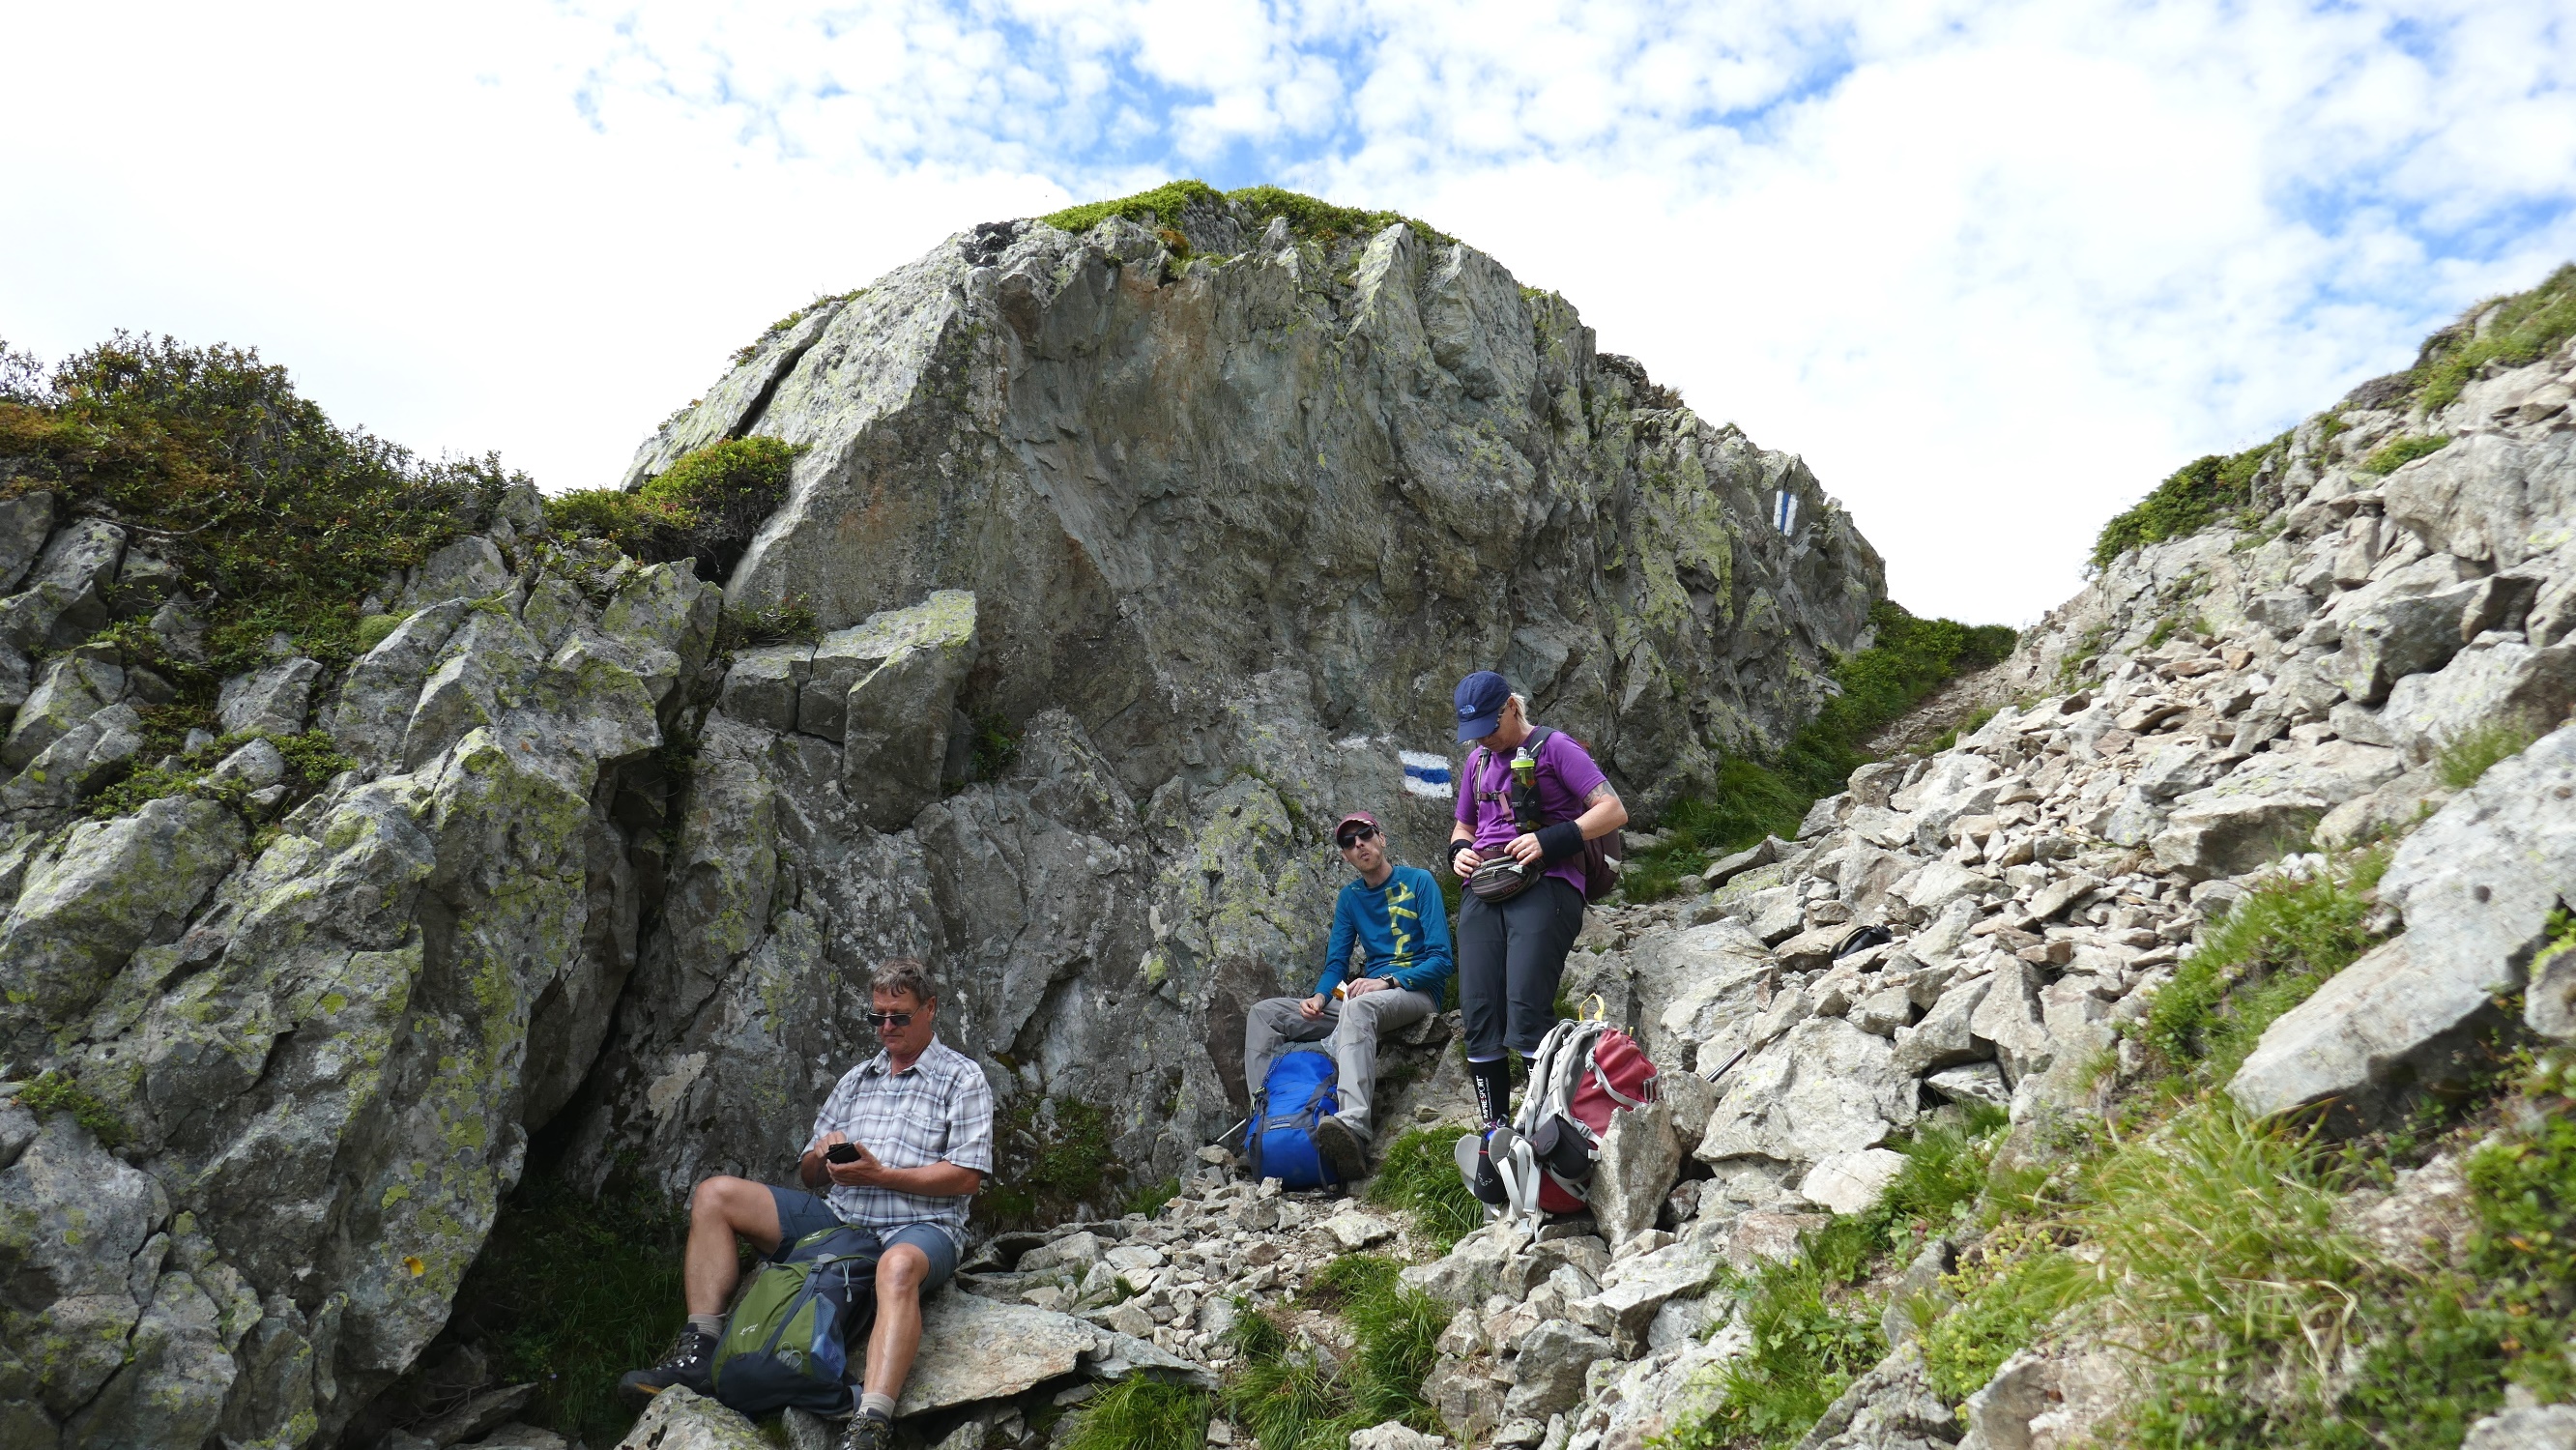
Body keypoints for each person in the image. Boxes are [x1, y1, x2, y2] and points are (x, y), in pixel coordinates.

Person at [620, 959, 994, 1450]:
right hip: (838, 1219)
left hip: (920, 1226)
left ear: (930, 1009)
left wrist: (881, 1175)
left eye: (898, 1016)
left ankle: (871, 1420)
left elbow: (966, 1178)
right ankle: (699, 1354)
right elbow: (808, 1173)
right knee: (716, 1195)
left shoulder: (962, 1079)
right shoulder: (858, 1079)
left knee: (898, 1267)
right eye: (876, 1017)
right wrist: (823, 1159)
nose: (885, 1028)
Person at [1445, 671, 1628, 1203]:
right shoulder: (1476, 763)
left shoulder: (1555, 747)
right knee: (1479, 1015)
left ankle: (1553, 1129)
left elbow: (1611, 809)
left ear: (1510, 708)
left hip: (1547, 883)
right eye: (1471, 730)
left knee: (1526, 1012)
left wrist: (1546, 841)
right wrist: (1458, 852)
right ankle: (1493, 1138)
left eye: (1487, 725)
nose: (1480, 738)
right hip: (1485, 888)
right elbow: (1463, 826)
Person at [1240, 809, 1455, 1181]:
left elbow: (1442, 961)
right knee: (1264, 1013)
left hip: (1414, 992)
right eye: (1349, 842)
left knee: (1358, 1005)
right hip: (1363, 997)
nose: (1360, 845)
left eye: (1366, 836)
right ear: (1345, 855)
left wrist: (1387, 981)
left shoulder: (1420, 883)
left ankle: (1353, 1128)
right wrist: (1320, 998)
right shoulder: (1351, 898)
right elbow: (1336, 965)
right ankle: (1264, 1123)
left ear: (1381, 838)